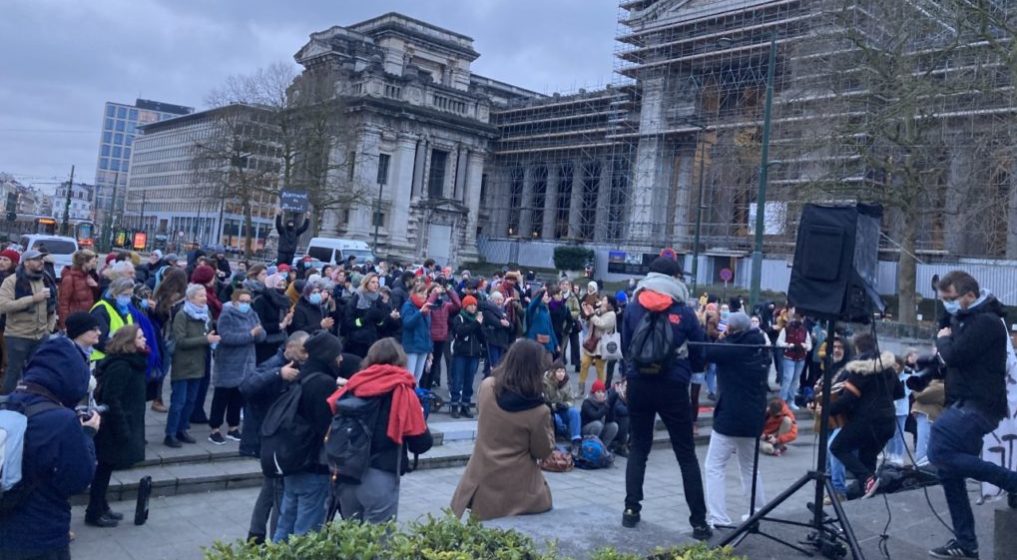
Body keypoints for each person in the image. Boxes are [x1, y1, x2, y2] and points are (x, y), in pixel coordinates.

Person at [927, 271, 1017, 559]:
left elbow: (956, 355)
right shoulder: (963, 319)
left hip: (981, 405)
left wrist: (942, 341)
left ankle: (1013, 481)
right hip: (962, 400)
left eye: (951, 299)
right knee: (948, 470)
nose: (948, 305)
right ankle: (966, 543)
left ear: (970, 295)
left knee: (939, 445)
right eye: (944, 300)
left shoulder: (987, 322)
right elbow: (954, 359)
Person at [619, 257, 711, 540]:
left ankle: (631, 511)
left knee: (639, 448)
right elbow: (699, 353)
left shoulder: (634, 307)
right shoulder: (683, 311)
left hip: (639, 384)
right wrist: (689, 369)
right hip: (673, 386)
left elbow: (626, 348)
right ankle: (698, 522)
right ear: (675, 278)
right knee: (685, 454)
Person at [0, 336, 101, 560]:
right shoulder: (62, 420)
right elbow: (78, 479)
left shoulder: (5, 403)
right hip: (41, 535)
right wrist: (87, 433)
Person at [331, 338, 433, 523]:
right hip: (381, 473)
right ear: (401, 360)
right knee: (378, 545)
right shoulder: (402, 389)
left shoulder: (353, 384)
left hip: (346, 473)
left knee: (351, 543)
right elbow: (421, 443)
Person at [451, 339, 555, 520]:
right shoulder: (538, 410)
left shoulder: (487, 387)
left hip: (482, 480)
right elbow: (542, 451)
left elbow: (481, 414)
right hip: (519, 490)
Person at [272, 331, 345, 542]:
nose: (340, 359)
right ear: (327, 355)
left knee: (285, 524)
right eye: (337, 354)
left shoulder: (301, 375)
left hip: (293, 461)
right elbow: (326, 428)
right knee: (307, 533)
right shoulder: (323, 383)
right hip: (313, 465)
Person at [239, 331, 309, 544]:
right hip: (270, 439)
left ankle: (256, 535)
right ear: (290, 347)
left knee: (270, 488)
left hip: (277, 437)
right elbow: (247, 386)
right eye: (303, 350)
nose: (307, 355)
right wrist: (278, 373)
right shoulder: (275, 364)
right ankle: (275, 540)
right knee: (279, 491)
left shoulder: (298, 365)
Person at [702, 311, 770, 528]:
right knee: (750, 466)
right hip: (753, 417)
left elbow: (706, 352)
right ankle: (757, 511)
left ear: (729, 329)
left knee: (714, 466)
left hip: (730, 417)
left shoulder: (731, 349)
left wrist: (721, 336)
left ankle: (719, 517)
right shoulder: (760, 347)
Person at [87, 324, 148, 528]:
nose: (144, 340)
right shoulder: (121, 366)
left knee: (107, 467)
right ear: (129, 342)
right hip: (115, 425)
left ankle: (101, 506)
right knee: (104, 467)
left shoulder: (131, 362)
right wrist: (123, 428)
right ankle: (95, 511)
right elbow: (112, 399)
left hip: (124, 421)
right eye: (140, 337)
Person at [827, 333, 900, 499]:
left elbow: (847, 399)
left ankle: (867, 479)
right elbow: (899, 392)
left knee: (837, 447)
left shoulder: (861, 369)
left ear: (857, 348)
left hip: (866, 422)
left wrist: (827, 409)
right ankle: (867, 491)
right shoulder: (888, 367)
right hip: (887, 423)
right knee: (868, 458)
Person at [165, 284, 220, 448]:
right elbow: (181, 341)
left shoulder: (206, 314)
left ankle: (182, 429)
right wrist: (206, 340)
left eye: (205, 295)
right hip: (183, 365)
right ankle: (170, 433)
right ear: (190, 298)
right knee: (178, 402)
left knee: (190, 401)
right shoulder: (182, 315)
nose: (204, 298)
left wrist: (212, 341)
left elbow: (208, 334)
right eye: (200, 296)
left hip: (199, 364)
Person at [209, 289, 265, 445]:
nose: (246, 304)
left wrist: (257, 334)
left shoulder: (252, 314)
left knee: (238, 397)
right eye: (242, 301)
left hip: (247, 363)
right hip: (229, 362)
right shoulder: (226, 314)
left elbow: (261, 333)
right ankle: (215, 429)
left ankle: (233, 427)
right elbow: (226, 337)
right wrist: (250, 335)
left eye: (248, 301)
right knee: (222, 396)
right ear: (234, 301)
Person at [0, 249, 57, 394]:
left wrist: (48, 330)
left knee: (36, 374)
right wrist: (32, 299)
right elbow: (3, 306)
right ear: (26, 262)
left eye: (42, 259)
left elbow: (53, 307)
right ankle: (5, 406)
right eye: (37, 259)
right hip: (18, 336)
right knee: (12, 374)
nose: (41, 262)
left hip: (40, 337)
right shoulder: (12, 281)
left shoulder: (46, 279)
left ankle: (28, 403)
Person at [150, 267, 188, 412]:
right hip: (170, 337)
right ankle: (157, 398)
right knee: (165, 369)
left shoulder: (161, 292)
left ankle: (157, 398)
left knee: (163, 369)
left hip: (162, 336)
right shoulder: (179, 297)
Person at [248, 265, 293, 365]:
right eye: (278, 285)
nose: (281, 288)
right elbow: (260, 323)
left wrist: (288, 319)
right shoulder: (261, 301)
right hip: (265, 343)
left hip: (280, 340)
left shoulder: (284, 301)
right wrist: (279, 325)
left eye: (283, 285)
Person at [449, 295, 485, 418]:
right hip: (461, 353)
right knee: (457, 380)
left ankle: (465, 405)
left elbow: (482, 338)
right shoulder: (459, 318)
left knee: (469, 381)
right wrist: (476, 324)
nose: (473, 307)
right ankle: (454, 405)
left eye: (475, 305)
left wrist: (480, 326)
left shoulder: (477, 320)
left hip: (473, 354)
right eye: (470, 305)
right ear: (465, 306)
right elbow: (461, 331)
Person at [421, 282, 461, 390]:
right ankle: (422, 388)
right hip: (430, 339)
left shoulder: (445, 305)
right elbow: (427, 306)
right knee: (426, 367)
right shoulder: (427, 303)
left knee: (434, 366)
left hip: (441, 338)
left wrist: (449, 291)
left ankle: (427, 390)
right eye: (434, 291)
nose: (438, 293)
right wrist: (434, 294)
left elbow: (458, 305)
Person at [344, 273, 394, 358]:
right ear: (366, 284)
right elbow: (349, 322)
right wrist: (364, 319)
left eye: (377, 282)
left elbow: (382, 324)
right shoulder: (357, 298)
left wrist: (380, 318)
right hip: (357, 342)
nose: (376, 285)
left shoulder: (378, 299)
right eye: (373, 282)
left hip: (373, 341)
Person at [88, 277, 136, 362]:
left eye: (130, 295)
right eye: (125, 294)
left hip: (118, 358)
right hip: (101, 360)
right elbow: (99, 340)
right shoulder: (101, 309)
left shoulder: (125, 310)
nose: (128, 298)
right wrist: (121, 350)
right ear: (114, 294)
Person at [578, 294, 617, 397]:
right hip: (590, 343)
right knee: (584, 364)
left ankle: (600, 391)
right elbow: (589, 322)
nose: (602, 301)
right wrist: (587, 314)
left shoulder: (612, 314)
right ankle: (580, 390)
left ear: (609, 303)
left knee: (600, 369)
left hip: (601, 346)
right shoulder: (598, 310)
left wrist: (591, 315)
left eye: (604, 300)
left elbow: (601, 324)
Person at [776, 308, 812, 409]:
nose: (798, 319)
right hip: (789, 356)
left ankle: (791, 401)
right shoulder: (786, 329)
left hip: (800, 358)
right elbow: (779, 342)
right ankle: (782, 401)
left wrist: (805, 346)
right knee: (788, 379)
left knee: (795, 380)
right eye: (797, 317)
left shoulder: (805, 331)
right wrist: (788, 345)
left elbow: (809, 345)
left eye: (800, 318)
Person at [57, 249, 99, 330]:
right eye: (92, 261)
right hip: (75, 322)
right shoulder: (69, 279)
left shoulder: (89, 277)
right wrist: (65, 326)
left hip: (87, 320)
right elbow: (63, 304)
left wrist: (96, 286)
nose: (94, 264)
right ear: (84, 262)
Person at [543, 361, 581, 450]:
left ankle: (576, 441)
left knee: (574, 412)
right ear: (553, 372)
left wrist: (566, 404)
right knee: (555, 419)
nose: (561, 374)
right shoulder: (545, 382)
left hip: (563, 408)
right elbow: (544, 401)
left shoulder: (566, 382)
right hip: (550, 409)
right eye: (559, 371)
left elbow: (571, 399)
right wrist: (555, 406)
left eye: (563, 371)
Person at [400, 282, 432, 383]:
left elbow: (428, 329)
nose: (424, 296)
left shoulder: (426, 307)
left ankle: (414, 397)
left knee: (417, 378)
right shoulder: (408, 306)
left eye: (425, 293)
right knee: (409, 377)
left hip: (424, 346)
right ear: (414, 293)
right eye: (421, 293)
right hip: (412, 346)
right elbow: (407, 323)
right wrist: (419, 313)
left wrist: (430, 349)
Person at [581, 379, 619, 448]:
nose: (601, 394)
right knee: (597, 424)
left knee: (614, 425)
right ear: (593, 393)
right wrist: (607, 404)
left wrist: (612, 403)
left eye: (603, 392)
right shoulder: (587, 402)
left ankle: (603, 448)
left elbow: (611, 419)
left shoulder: (605, 402)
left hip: (600, 429)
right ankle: (591, 447)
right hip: (587, 430)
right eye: (598, 392)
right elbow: (596, 416)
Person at [480, 291, 513, 372]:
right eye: (497, 300)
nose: (499, 302)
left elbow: (511, 326)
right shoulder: (487, 311)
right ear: (492, 300)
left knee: (500, 365)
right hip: (493, 341)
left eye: (501, 300)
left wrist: (507, 324)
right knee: (494, 364)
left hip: (502, 342)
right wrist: (502, 323)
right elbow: (495, 322)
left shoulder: (503, 312)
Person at [526, 287, 558, 356]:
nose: (548, 297)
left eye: (548, 296)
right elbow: (534, 303)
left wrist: (556, 344)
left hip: (547, 345)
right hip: (534, 343)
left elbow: (551, 329)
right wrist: (541, 293)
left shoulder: (546, 311)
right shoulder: (534, 309)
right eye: (546, 295)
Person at [606, 378, 631, 456]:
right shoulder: (615, 392)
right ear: (621, 385)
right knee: (626, 418)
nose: (628, 388)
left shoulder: (630, 395)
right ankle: (621, 446)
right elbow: (619, 409)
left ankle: (632, 444)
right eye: (626, 386)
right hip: (612, 423)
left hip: (622, 425)